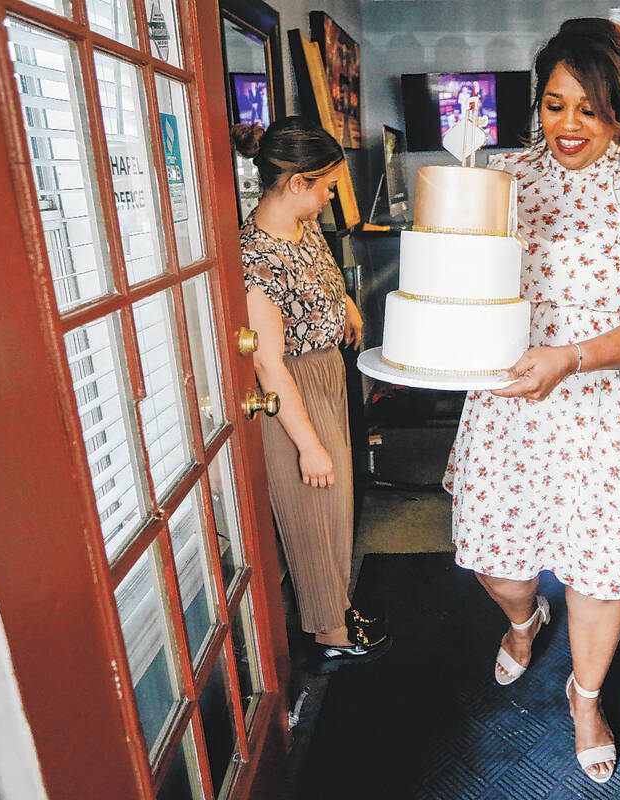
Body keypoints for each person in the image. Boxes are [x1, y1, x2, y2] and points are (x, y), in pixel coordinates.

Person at [442, 18, 620, 785]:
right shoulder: (504, 179)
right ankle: (525, 622)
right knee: (499, 561)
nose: (568, 126)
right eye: (555, 105)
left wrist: (573, 357)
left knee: (597, 576)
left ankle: (585, 697)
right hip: (512, 402)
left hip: (608, 407)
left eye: (588, 110)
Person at [229, 117, 389, 671]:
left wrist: (344, 303)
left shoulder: (303, 227)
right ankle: (329, 632)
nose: (329, 197)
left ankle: (338, 608)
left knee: (337, 506)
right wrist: (307, 445)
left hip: (326, 378)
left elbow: (322, 275)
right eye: (325, 186)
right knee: (312, 513)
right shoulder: (254, 258)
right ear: (296, 183)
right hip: (293, 396)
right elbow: (269, 366)